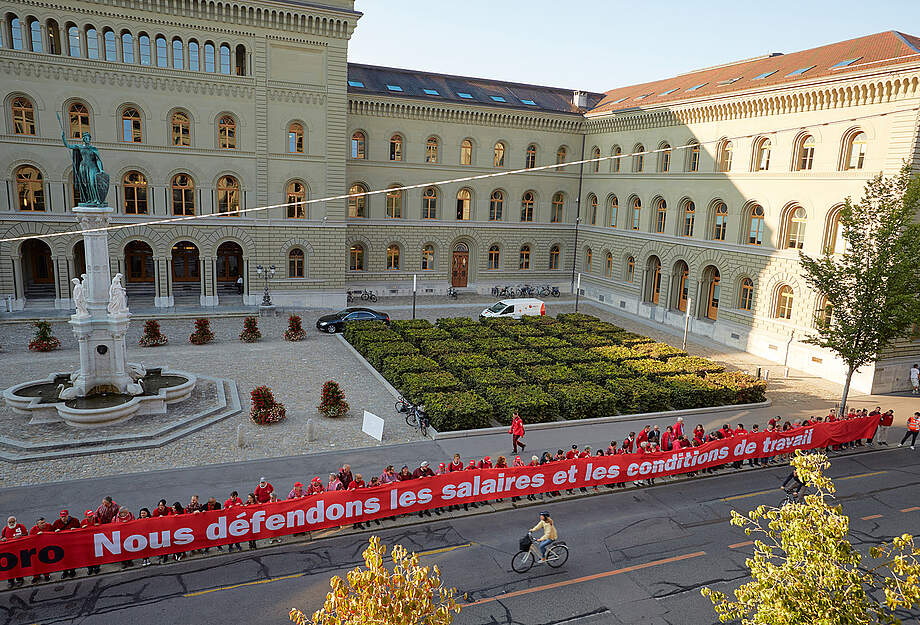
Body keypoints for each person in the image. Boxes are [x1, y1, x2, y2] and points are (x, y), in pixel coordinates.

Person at [52, 510, 80, 578]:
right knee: (63, 559)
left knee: (72, 558)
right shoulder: (57, 523)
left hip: (72, 543)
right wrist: (55, 531)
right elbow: (51, 533)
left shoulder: (75, 521)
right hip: (62, 544)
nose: (63, 518)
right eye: (62, 517)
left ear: (68, 516)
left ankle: (72, 571)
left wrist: (75, 529)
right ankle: (65, 572)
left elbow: (80, 529)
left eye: (65, 516)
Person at [2, 516, 28, 587]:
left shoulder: (21, 526)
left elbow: (26, 535)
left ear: (16, 521)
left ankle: (20, 579)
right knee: (9, 567)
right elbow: (2, 538)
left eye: (13, 522)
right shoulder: (5, 529)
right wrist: (3, 539)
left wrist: (20, 536)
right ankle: (10, 581)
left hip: (19, 550)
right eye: (10, 522)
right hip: (9, 551)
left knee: (18, 566)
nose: (11, 523)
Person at [28, 518, 54, 582]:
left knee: (45, 563)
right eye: (42, 523)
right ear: (37, 524)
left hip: (46, 548)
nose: (44, 524)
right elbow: (30, 540)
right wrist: (37, 536)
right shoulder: (33, 530)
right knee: (36, 564)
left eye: (44, 522)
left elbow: (54, 534)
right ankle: (36, 576)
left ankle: (47, 575)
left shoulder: (49, 526)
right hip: (37, 549)